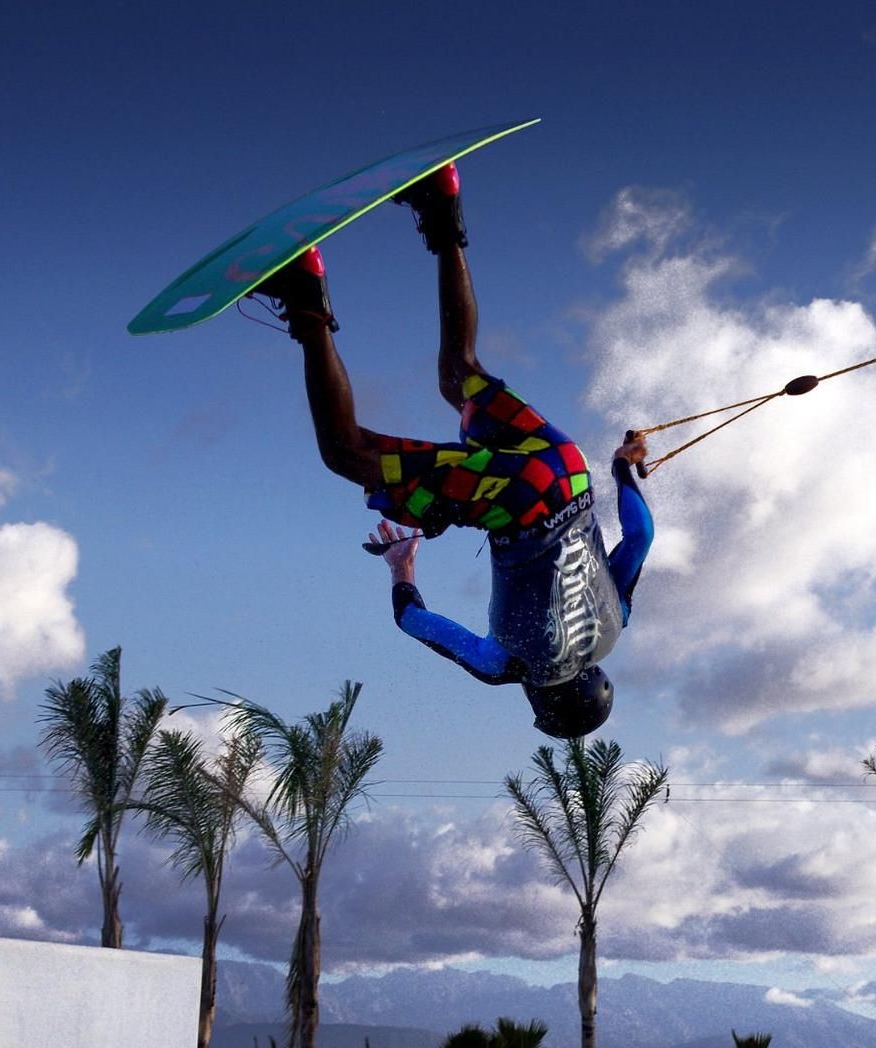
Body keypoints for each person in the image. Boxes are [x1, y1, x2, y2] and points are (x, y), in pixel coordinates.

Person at [254, 163, 653, 738]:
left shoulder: (618, 620)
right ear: (544, 702)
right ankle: (303, 296)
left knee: (459, 372)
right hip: (515, 501)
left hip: (568, 471)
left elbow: (640, 537)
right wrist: (403, 567)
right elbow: (415, 622)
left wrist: (624, 468)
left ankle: (442, 206)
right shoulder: (508, 667)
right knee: (346, 452)